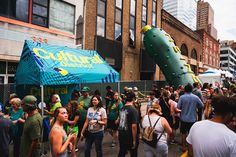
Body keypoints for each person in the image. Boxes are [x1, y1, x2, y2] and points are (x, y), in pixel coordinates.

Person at [177, 83, 203, 151]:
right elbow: (201, 105)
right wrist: (195, 107)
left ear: (185, 89)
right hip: (192, 119)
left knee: (183, 133)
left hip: (183, 119)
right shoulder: (195, 97)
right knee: (191, 134)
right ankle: (190, 148)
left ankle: (184, 147)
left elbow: (178, 107)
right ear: (191, 89)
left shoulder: (182, 97)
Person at [117, 92, 139, 157]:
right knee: (133, 153)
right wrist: (134, 140)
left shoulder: (122, 108)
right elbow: (134, 126)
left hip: (122, 134)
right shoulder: (133, 110)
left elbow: (120, 122)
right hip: (130, 135)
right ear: (133, 98)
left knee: (122, 152)